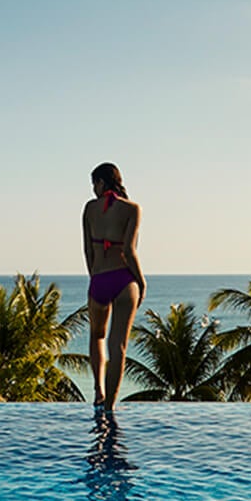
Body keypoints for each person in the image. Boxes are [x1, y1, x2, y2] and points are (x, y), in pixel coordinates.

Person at [83, 162, 144, 409]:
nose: (93, 190)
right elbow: (129, 251)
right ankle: (110, 405)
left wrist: (95, 277)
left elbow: (88, 250)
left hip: (99, 279)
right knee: (117, 346)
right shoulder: (132, 209)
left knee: (97, 335)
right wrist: (140, 280)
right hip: (123, 279)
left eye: (94, 184)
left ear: (101, 182)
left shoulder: (89, 209)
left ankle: (98, 391)